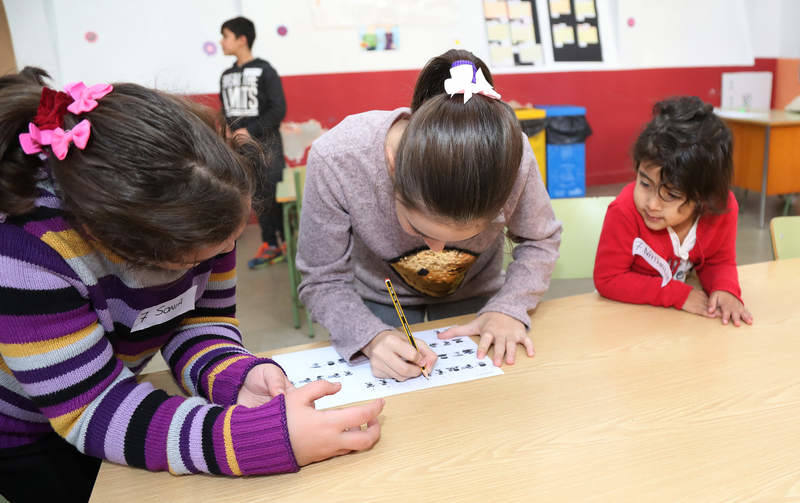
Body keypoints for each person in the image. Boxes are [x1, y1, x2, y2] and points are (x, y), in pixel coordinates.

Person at [0, 68, 383, 503]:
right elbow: (93, 407)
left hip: (114, 396)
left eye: (230, 243)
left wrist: (236, 376)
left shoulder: (206, 205)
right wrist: (252, 441)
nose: (222, 254)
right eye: (200, 257)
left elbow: (200, 318)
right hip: (23, 429)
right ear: (124, 248)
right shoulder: (27, 252)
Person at [296, 49, 562, 381]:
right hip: (377, 301)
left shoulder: (511, 158)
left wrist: (509, 306)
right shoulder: (340, 158)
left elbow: (540, 238)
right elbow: (322, 278)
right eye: (419, 229)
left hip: (478, 300)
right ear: (393, 168)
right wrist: (369, 336)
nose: (436, 251)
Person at [593, 96, 753, 327]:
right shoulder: (624, 211)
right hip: (626, 319)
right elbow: (608, 279)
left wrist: (725, 289)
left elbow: (718, 260)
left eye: (671, 195)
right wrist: (678, 294)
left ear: (703, 197)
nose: (652, 204)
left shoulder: (721, 210)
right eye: (645, 183)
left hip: (680, 327)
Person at [219, 16, 288, 269]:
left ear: (241, 39)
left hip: (268, 147)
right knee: (255, 195)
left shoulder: (265, 71)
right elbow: (226, 110)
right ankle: (271, 244)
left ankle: (284, 243)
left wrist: (250, 130)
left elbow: (278, 109)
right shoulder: (226, 75)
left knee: (273, 195)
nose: (222, 41)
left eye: (225, 36)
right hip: (240, 149)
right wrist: (228, 131)